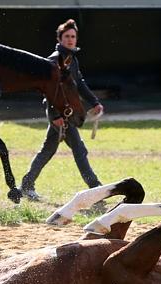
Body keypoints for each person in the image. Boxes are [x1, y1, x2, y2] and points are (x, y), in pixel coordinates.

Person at [20, 19, 103, 200]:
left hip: (66, 114)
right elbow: (49, 91)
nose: (71, 39)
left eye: (73, 36)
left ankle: (26, 185)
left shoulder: (72, 59)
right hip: (60, 115)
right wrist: (54, 115)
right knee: (78, 150)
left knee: (49, 150)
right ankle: (96, 188)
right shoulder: (54, 60)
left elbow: (79, 84)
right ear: (60, 38)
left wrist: (94, 102)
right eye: (67, 36)